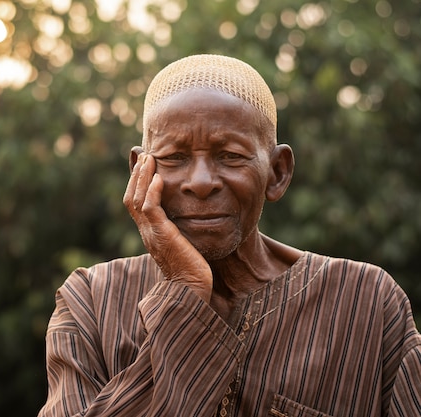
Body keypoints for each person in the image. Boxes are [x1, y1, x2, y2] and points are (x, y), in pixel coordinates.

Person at [37, 54, 421, 416]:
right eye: (174, 157)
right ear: (141, 170)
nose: (201, 182)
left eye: (231, 156)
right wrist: (184, 288)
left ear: (277, 173)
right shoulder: (90, 301)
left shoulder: (367, 303)